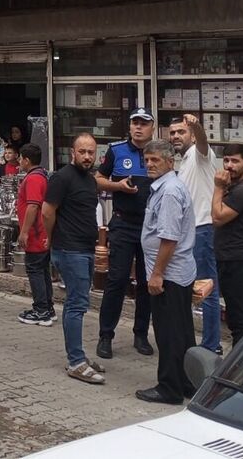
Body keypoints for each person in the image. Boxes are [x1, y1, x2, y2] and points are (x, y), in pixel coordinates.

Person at [136, 139, 197, 405]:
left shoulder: (170, 191)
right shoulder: (164, 187)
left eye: (155, 160)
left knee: (169, 332)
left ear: (170, 162)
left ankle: (170, 387)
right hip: (176, 272)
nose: (149, 164)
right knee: (181, 331)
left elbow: (169, 238)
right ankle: (187, 382)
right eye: (147, 160)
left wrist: (157, 274)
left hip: (169, 275)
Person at [42, 133, 105, 384]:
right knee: (77, 305)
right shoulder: (62, 177)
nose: (87, 156)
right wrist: (51, 239)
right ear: (72, 153)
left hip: (85, 249)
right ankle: (76, 362)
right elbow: (47, 212)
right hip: (70, 250)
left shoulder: (90, 180)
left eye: (91, 152)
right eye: (82, 152)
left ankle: (78, 356)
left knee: (77, 303)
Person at [96, 108, 156, 361]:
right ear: (129, 126)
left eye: (144, 123)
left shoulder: (159, 152)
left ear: (152, 128)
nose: (138, 127)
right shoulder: (116, 150)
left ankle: (141, 334)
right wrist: (117, 186)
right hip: (123, 224)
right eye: (135, 123)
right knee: (117, 280)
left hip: (150, 227)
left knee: (146, 283)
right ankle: (105, 335)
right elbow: (98, 179)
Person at [170, 113, 221, 353]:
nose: (176, 136)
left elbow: (203, 141)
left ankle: (211, 345)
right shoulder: (182, 162)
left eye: (181, 132)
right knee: (195, 287)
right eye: (172, 133)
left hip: (202, 229)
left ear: (191, 136)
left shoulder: (201, 155)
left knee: (206, 288)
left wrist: (197, 125)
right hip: (188, 232)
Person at [211, 145, 243, 347]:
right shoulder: (234, 187)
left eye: (235, 161)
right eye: (226, 160)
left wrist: (218, 187)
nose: (229, 166)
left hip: (237, 261)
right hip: (230, 259)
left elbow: (218, 218)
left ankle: (240, 361)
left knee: (240, 321)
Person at [15, 143, 53, 326]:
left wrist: (24, 232)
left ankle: (41, 310)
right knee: (42, 270)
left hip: (36, 234)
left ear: (27, 160)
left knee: (35, 270)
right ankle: (47, 307)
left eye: (20, 158)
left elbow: (32, 206)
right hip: (40, 233)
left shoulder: (33, 179)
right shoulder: (41, 176)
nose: (18, 161)